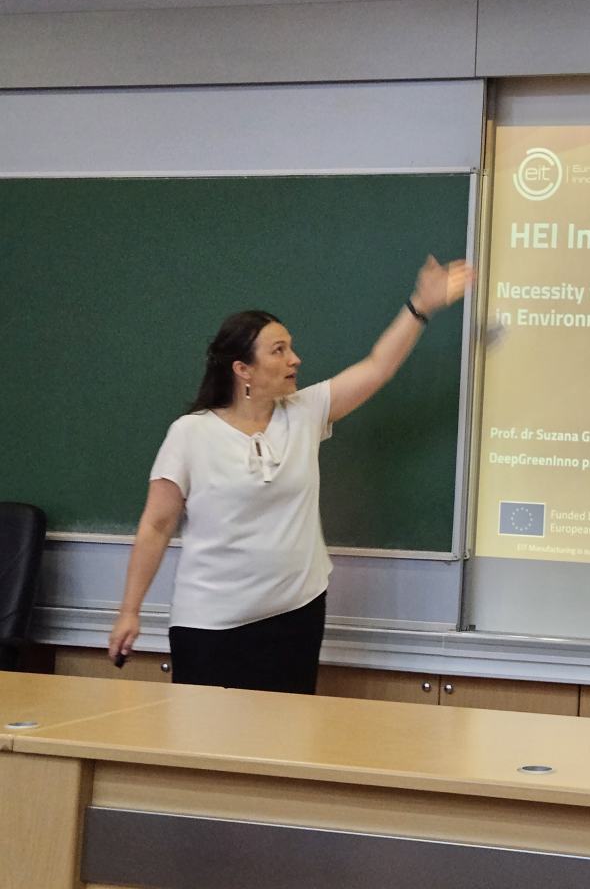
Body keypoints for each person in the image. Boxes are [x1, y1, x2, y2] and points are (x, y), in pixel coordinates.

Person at [107, 255, 474, 693]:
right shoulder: (190, 433)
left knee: (287, 733)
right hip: (210, 626)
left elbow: (378, 366)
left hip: (295, 617)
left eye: (291, 347)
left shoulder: (304, 413)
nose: (294, 359)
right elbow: (156, 525)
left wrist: (419, 307)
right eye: (278, 350)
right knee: (207, 734)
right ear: (242, 369)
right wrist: (130, 610)